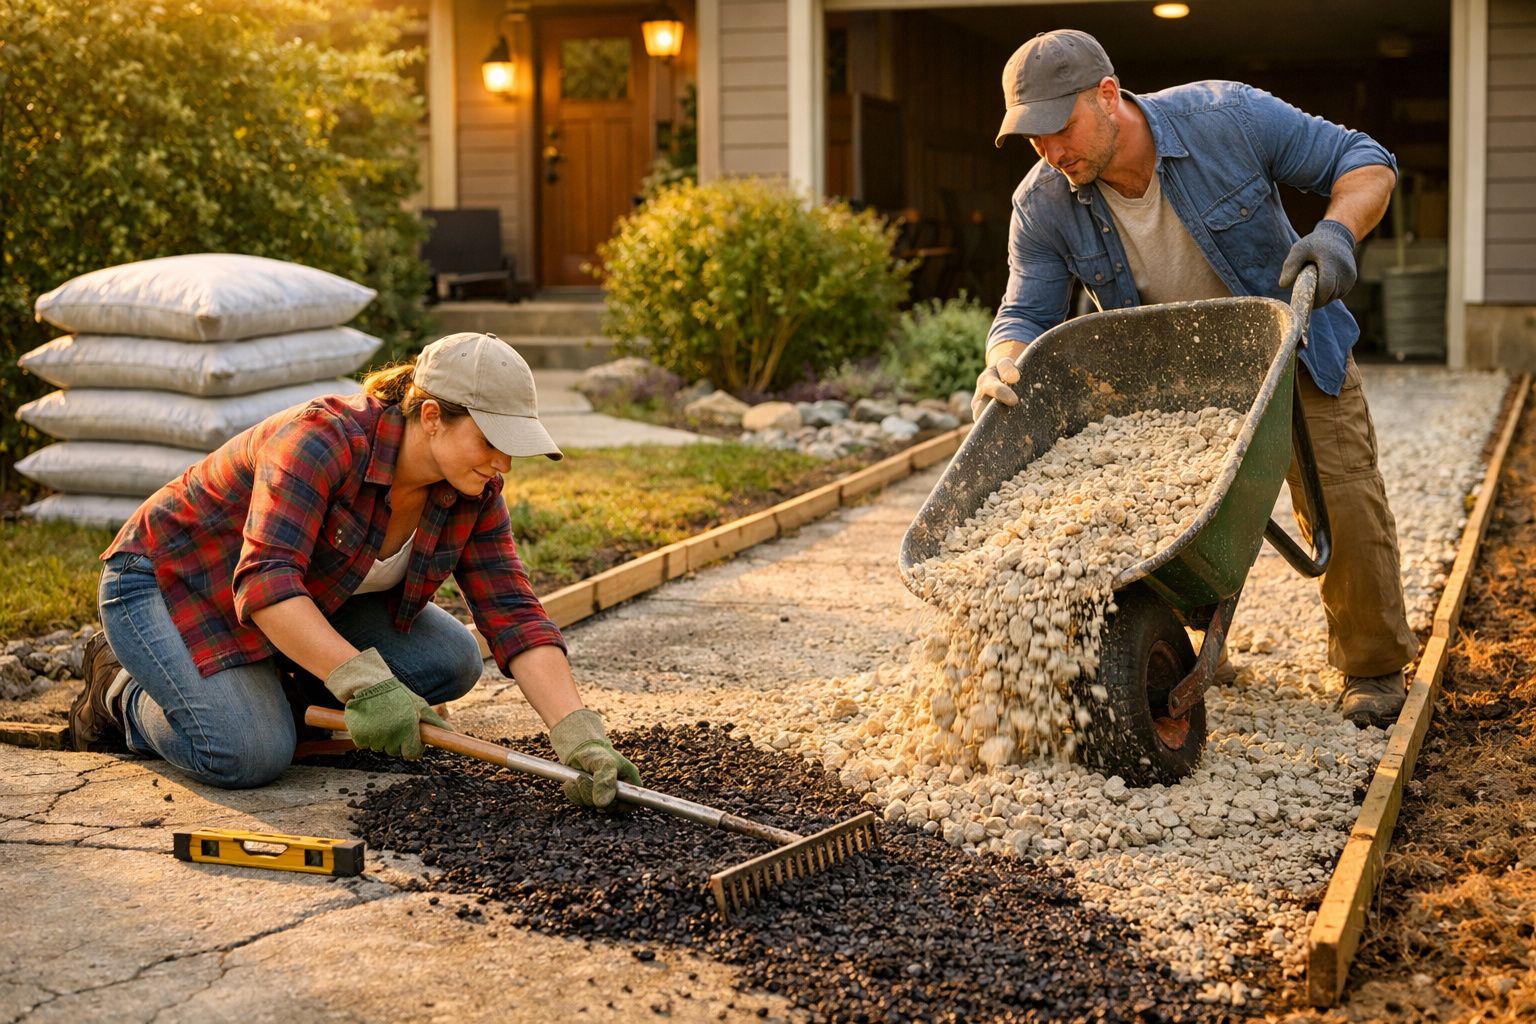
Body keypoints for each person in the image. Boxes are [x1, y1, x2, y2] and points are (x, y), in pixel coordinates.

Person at [972, 29, 1418, 728]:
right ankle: (1187, 641)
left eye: (1061, 128)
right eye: (1034, 138)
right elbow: (1025, 311)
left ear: (1108, 96)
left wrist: (1334, 236)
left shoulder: (1226, 118)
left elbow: (1364, 160)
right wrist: (1004, 359)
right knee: (1160, 518)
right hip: (1173, 387)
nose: (1052, 152)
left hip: (1291, 349)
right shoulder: (1043, 202)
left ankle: (1372, 665)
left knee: (1343, 497)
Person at [70, 331, 640, 807]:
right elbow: (266, 580)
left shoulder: (473, 490)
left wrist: (577, 733)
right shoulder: (322, 441)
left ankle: (275, 687)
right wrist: (368, 687)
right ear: (432, 416)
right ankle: (120, 691)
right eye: (492, 440)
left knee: (451, 659)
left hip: (305, 600)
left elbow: (512, 612)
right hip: (172, 584)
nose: (504, 463)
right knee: (247, 753)